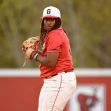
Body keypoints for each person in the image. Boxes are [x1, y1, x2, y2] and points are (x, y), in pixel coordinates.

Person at [25, 6, 77, 111]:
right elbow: (51, 57)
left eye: (52, 19)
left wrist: (34, 55)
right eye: (46, 19)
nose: (48, 22)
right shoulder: (54, 33)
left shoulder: (55, 34)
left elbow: (50, 62)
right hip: (54, 79)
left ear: (57, 20)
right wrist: (37, 52)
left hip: (59, 79)